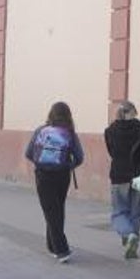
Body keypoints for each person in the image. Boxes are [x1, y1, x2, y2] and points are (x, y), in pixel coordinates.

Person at [25, 101, 85, 263]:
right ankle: (56, 247)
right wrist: (67, 165)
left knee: (51, 211)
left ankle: (60, 250)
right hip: (62, 176)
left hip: (43, 176)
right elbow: (80, 157)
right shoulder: (70, 133)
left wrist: (40, 163)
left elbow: (28, 153)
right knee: (56, 210)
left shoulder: (40, 130)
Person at [104, 100, 140, 259]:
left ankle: (128, 234)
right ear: (133, 112)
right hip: (138, 176)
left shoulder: (110, 130)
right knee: (135, 212)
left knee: (118, 212)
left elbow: (111, 152)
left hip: (119, 176)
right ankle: (133, 243)